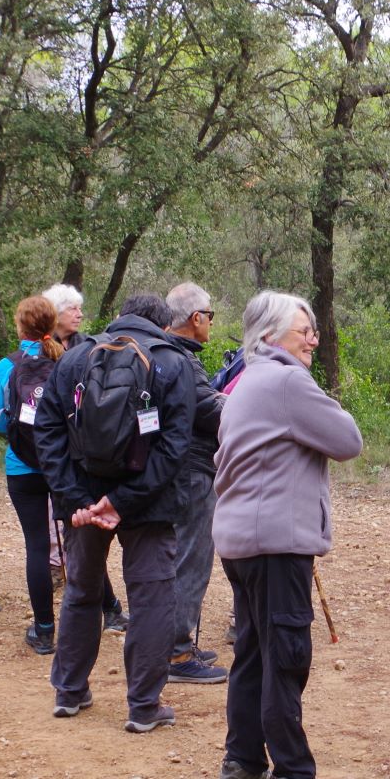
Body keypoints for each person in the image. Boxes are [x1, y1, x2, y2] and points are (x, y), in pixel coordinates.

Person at [213, 291, 363, 779]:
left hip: (242, 540)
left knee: (253, 653)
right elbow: (348, 440)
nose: (314, 339)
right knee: (286, 656)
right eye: (305, 331)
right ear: (273, 336)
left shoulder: (246, 380)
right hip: (275, 542)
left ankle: (243, 765)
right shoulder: (285, 380)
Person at [34, 293, 195, 733]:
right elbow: (175, 446)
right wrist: (125, 502)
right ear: (162, 324)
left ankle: (69, 692)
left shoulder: (76, 357)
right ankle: (143, 706)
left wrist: (76, 498)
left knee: (82, 590)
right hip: (149, 502)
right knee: (150, 598)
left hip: (86, 498)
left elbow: (45, 428)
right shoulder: (173, 362)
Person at [42, 282, 125, 631]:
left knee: (88, 539)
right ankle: (102, 607)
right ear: (54, 313)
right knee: (78, 539)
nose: (79, 313)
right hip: (59, 460)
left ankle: (110, 607)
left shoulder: (87, 347)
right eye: (71, 308)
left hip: (90, 458)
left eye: (79, 308)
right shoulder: (38, 351)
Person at [0, 295, 63, 655]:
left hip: (22, 466)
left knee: (37, 545)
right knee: (80, 545)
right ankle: (109, 611)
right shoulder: (66, 361)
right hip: (62, 466)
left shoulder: (7, 365)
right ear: (53, 325)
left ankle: (45, 631)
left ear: (21, 326)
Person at [163, 282, 227, 683]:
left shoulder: (171, 354)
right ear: (195, 318)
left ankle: (176, 640)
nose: (211, 322)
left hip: (177, 469)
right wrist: (248, 405)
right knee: (191, 557)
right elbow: (207, 408)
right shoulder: (182, 359)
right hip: (191, 470)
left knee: (181, 554)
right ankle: (176, 653)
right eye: (210, 314)